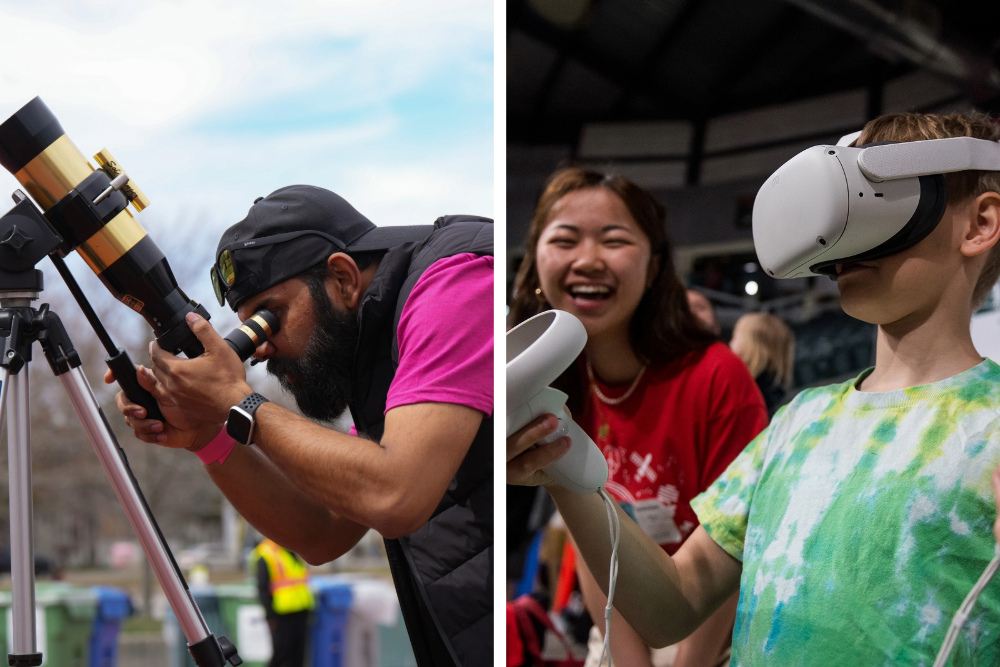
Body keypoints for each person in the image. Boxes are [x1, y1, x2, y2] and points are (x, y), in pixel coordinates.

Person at [508, 112, 1000, 665]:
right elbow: (674, 602)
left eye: (882, 196)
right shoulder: (797, 423)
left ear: (979, 225)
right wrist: (561, 462)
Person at [109, 185, 493, 667]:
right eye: (250, 328)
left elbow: (394, 495)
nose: (260, 348)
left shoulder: (458, 281)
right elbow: (323, 533)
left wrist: (236, 400)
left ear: (343, 278)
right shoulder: (379, 354)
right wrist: (207, 434)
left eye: (271, 317)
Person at [508, 167, 769, 667]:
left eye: (613, 240)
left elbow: (739, 551)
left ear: (653, 268)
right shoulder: (557, 383)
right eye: (564, 240)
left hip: (717, 633)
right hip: (617, 621)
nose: (587, 260)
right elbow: (593, 538)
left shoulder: (716, 377)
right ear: (535, 261)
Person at [248, 538, 314, 667]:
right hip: (281, 615)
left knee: (298, 656)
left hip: (301, 609)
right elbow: (262, 588)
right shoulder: (265, 553)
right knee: (282, 655)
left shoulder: (293, 548)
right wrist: (270, 615)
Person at [729, 312, 794, 416]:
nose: (730, 344)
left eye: (734, 337)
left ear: (752, 347)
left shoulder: (748, 392)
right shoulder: (777, 390)